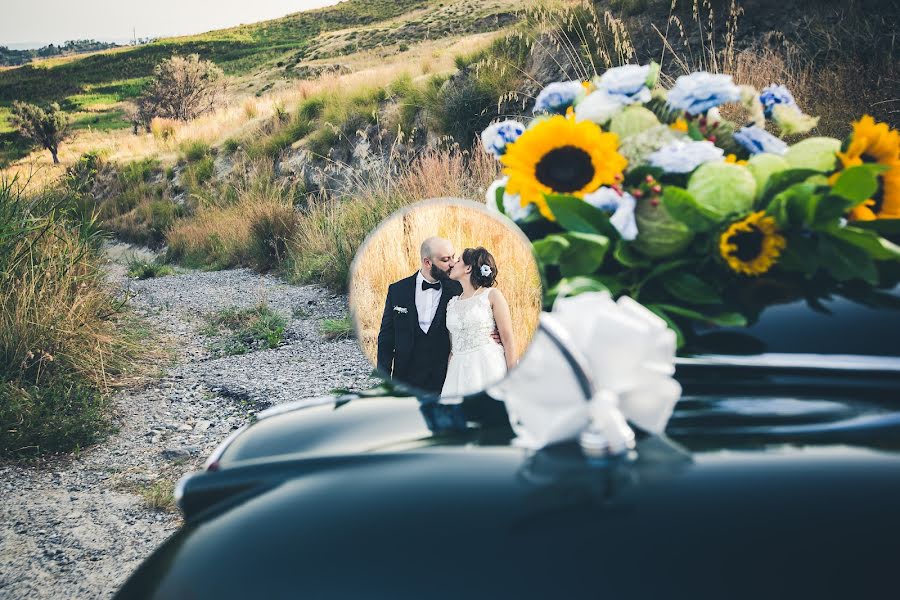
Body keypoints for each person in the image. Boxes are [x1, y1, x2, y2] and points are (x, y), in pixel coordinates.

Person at [377, 237, 463, 393]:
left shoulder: (459, 289)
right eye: (445, 259)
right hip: (405, 377)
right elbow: (386, 338)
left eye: (453, 257)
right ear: (427, 262)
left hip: (444, 378)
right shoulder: (397, 290)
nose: (452, 263)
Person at [440, 247, 516, 399]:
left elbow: (508, 339)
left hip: (487, 363)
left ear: (468, 268)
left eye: (458, 260)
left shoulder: (491, 295)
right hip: (457, 369)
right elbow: (453, 346)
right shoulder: (452, 303)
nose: (453, 263)